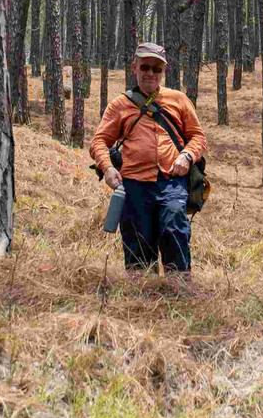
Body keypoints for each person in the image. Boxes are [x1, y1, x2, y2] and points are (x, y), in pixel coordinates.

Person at [88, 42, 208, 278]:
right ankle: (140, 298)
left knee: (175, 226)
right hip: (133, 185)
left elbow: (198, 137)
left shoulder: (179, 100)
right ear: (135, 67)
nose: (150, 73)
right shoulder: (120, 105)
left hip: (171, 181)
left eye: (156, 68)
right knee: (137, 240)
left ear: (164, 71)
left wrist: (187, 155)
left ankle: (179, 289)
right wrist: (108, 168)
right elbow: (99, 141)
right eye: (145, 67)